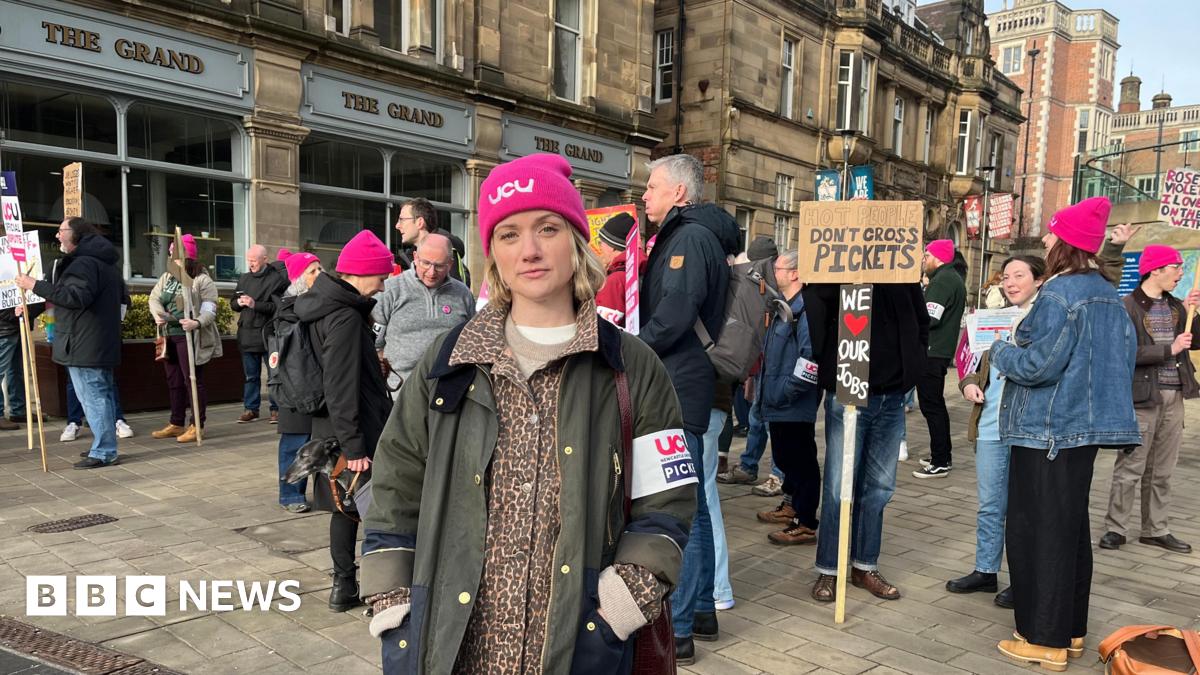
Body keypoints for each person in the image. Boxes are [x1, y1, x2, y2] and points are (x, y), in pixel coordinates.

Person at [360, 154, 695, 673]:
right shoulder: (449, 361)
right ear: (492, 250)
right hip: (454, 646)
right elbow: (394, 484)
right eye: (510, 234)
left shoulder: (631, 367)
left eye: (547, 228)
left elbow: (667, 501)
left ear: (576, 240)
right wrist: (393, 604)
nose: (531, 250)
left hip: (578, 646)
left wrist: (622, 603)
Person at [991, 197, 1140, 671]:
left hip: (1047, 431)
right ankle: (1070, 629)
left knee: (1039, 533)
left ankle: (1044, 638)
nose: (1048, 242)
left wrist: (1000, 350)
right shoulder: (1106, 294)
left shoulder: (1060, 294)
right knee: (1070, 531)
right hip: (1082, 431)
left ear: (1067, 244)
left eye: (1053, 235)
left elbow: (1038, 365)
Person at [638, 153, 739, 663]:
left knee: (684, 508)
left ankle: (678, 628)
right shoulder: (689, 235)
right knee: (693, 502)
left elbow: (673, 316)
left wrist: (628, 348)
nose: (644, 196)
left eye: (652, 187)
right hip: (686, 383)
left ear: (679, 192)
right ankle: (699, 609)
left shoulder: (690, 238)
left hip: (681, 385)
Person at [808, 279, 928, 603]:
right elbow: (817, 306)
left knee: (879, 487)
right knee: (838, 486)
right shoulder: (841, 268)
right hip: (848, 391)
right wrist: (828, 363)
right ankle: (830, 568)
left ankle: (864, 565)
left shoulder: (902, 272)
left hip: (892, 395)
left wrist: (913, 367)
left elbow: (920, 320)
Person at [295, 229, 393, 611]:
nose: (384, 285)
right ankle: (379, 590)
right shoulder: (346, 317)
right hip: (354, 432)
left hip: (329, 427)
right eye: (381, 276)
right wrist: (355, 446)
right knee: (376, 511)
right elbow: (339, 383)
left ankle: (344, 587)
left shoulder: (319, 303)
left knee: (345, 509)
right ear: (361, 272)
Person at [945, 255, 1044, 607]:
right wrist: (969, 384)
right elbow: (970, 360)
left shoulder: (1045, 318)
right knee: (990, 505)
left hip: (1027, 427)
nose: (1011, 282)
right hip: (989, 423)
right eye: (1006, 277)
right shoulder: (993, 317)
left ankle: (1024, 578)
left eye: (1019, 275)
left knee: (1025, 509)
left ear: (1039, 280)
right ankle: (985, 570)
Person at [1099, 245, 1198, 555]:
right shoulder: (1127, 306)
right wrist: (1168, 350)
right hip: (1141, 398)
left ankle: (1155, 529)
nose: (1181, 273)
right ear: (1156, 269)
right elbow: (1119, 355)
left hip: (1175, 396)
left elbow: (1196, 341)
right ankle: (1116, 527)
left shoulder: (1178, 308)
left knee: (1163, 469)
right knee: (1131, 466)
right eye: (1176, 267)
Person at [15, 218, 122, 469]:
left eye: (61, 231)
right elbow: (66, 294)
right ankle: (104, 444)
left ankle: (105, 450)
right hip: (93, 341)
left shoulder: (84, 263)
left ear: (75, 235)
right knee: (99, 395)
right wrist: (33, 306)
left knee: (94, 396)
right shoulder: (98, 261)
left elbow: (74, 296)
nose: (57, 237)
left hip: (85, 342)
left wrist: (35, 285)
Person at [758, 250, 823, 546]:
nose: (775, 272)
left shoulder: (806, 309)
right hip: (777, 398)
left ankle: (806, 521)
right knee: (785, 457)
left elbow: (810, 357)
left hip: (792, 401)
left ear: (795, 273)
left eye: (779, 268)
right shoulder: (786, 305)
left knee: (800, 460)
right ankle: (792, 505)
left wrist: (787, 390)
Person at [372, 233, 475, 395]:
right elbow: (373, 344)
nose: (431, 272)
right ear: (415, 257)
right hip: (400, 392)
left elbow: (470, 342)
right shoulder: (390, 290)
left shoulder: (463, 294)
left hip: (449, 391)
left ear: (450, 264)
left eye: (439, 265)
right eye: (425, 263)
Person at [148, 234, 222, 444]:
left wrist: (196, 322)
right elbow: (154, 297)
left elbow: (210, 310)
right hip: (169, 335)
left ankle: (196, 425)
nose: (171, 257)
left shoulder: (202, 280)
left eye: (175, 254)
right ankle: (176, 422)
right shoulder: (167, 277)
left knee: (192, 381)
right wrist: (157, 314)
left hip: (190, 337)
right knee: (174, 381)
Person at [913, 239, 966, 478]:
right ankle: (940, 454)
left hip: (932, 351)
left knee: (931, 405)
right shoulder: (951, 278)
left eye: (926, 256)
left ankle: (941, 459)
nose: (924, 260)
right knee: (934, 405)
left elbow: (929, 317)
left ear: (938, 258)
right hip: (938, 351)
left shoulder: (942, 281)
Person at [274, 251, 322, 514]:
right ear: (298, 278)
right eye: (312, 271)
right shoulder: (287, 309)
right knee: (294, 442)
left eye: (320, 269)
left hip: (322, 384)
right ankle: (290, 493)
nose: (319, 274)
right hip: (294, 384)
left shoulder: (323, 303)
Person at [233, 244, 288, 424]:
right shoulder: (244, 278)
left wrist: (255, 304)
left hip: (267, 335)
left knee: (274, 375)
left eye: (254, 261)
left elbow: (277, 307)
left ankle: (276, 409)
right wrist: (239, 303)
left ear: (264, 259)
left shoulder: (276, 280)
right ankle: (251, 408)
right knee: (250, 376)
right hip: (246, 334)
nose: (250, 264)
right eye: (248, 260)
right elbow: (232, 303)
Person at [394, 197, 471, 287]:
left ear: (420, 222)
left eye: (402, 219)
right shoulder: (410, 256)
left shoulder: (444, 252)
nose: (397, 226)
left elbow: (452, 296)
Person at [0, 303, 44, 431]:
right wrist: (13, 313)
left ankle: (19, 410)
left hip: (17, 325)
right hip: (6, 327)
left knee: (17, 370)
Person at [594, 212, 637, 327]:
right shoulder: (635, 270)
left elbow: (603, 329)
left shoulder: (615, 280)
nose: (599, 247)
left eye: (601, 242)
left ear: (612, 246)